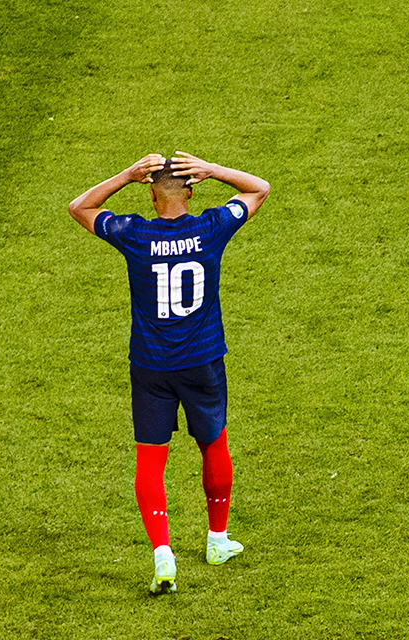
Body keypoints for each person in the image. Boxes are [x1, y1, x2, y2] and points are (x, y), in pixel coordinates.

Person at [67, 151, 270, 594]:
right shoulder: (211, 227)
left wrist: (124, 175)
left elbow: (79, 208)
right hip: (203, 361)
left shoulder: (134, 234)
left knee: (150, 458)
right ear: (192, 192)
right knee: (213, 442)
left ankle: (163, 553)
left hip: (151, 365)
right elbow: (259, 188)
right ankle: (217, 540)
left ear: (152, 197)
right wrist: (214, 169)